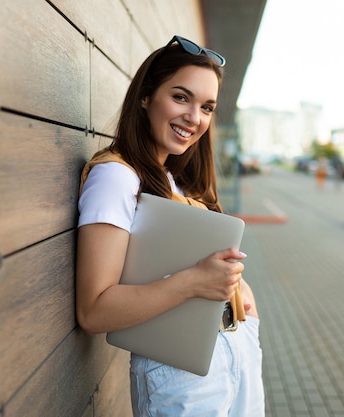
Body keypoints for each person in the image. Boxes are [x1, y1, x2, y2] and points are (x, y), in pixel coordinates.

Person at [76, 35, 265, 417]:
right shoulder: (116, 177)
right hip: (181, 375)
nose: (195, 118)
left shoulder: (175, 180)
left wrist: (246, 308)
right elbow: (94, 311)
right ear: (146, 96)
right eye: (181, 97)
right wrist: (195, 282)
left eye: (206, 107)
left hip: (234, 351)